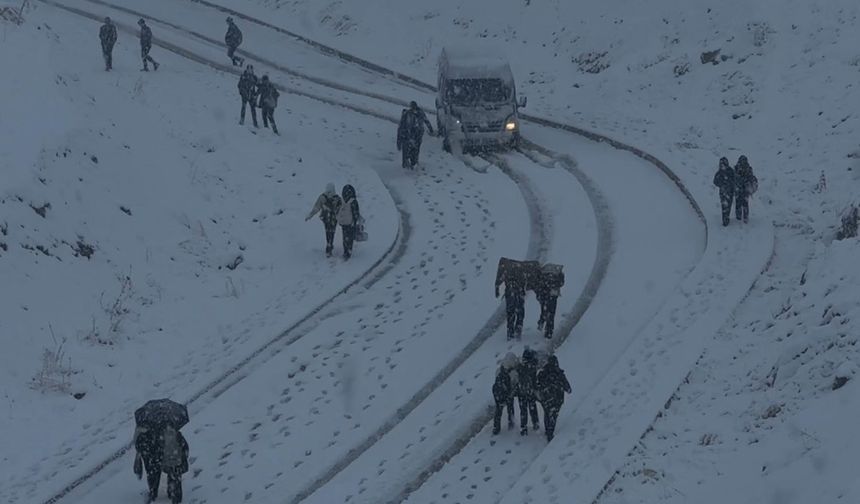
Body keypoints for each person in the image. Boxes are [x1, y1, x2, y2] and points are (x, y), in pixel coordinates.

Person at [133, 425, 189, 503]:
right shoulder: (172, 431)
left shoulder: (144, 430)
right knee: (174, 474)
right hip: (170, 456)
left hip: (151, 454)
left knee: (152, 473)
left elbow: (138, 444)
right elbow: (185, 447)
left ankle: (153, 492)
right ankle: (173, 494)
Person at [537, 355, 571, 442]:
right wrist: (565, 388)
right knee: (554, 415)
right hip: (557, 399)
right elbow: (568, 388)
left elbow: (538, 384)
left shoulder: (543, 372)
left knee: (547, 413)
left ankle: (547, 430)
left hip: (545, 398)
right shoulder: (559, 373)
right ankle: (550, 433)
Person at [305, 183, 343, 257]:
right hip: (334, 218)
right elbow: (342, 209)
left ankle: (329, 246)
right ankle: (330, 245)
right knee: (332, 231)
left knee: (328, 231)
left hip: (326, 218)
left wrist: (310, 215)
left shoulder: (322, 197)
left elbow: (316, 207)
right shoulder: (337, 198)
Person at [396, 101, 434, 169]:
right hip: (410, 135)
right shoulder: (408, 114)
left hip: (416, 135)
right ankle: (410, 163)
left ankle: (413, 162)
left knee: (414, 149)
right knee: (411, 149)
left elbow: (426, 121)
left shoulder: (419, 113)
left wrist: (430, 129)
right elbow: (401, 128)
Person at [495, 260, 526, 339]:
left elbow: (501, 279)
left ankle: (510, 332)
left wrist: (497, 288)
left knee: (510, 313)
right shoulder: (521, 273)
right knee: (520, 312)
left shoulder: (506, 273)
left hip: (510, 294)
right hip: (519, 294)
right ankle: (518, 329)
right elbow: (525, 282)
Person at [491, 353, 519, 435]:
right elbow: (515, 383)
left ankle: (496, 427)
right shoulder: (513, 372)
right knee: (510, 409)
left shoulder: (499, 370)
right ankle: (511, 424)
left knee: (498, 410)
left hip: (498, 394)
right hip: (507, 394)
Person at [516, 347, 540, 435]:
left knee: (523, 410)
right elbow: (534, 381)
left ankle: (523, 428)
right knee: (532, 408)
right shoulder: (532, 368)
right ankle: (535, 423)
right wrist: (536, 389)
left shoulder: (519, 367)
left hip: (521, 391)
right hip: (530, 391)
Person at [536, 264, 564, 339]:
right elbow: (561, 283)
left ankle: (542, 321)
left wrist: (540, 293)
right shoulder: (558, 273)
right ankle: (549, 331)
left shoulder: (543, 273)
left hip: (544, 295)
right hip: (553, 296)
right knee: (551, 313)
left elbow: (538, 283)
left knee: (544, 310)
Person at [337, 184, 361, 260]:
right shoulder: (353, 201)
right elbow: (356, 212)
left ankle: (345, 251)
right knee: (350, 237)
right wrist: (355, 220)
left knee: (345, 236)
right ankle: (348, 251)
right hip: (350, 222)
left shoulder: (342, 200)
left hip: (344, 222)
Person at [734, 155, 757, 223]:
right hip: (745, 189)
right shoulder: (748, 168)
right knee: (745, 204)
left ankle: (738, 217)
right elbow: (751, 177)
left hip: (739, 188)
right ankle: (745, 218)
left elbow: (734, 177)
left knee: (738, 203)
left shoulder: (737, 167)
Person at [712, 157, 735, 226]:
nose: (722, 165)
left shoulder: (729, 171)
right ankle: (725, 220)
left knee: (727, 206)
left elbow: (734, 180)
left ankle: (726, 218)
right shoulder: (720, 172)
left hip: (728, 191)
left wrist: (726, 182)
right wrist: (722, 183)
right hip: (724, 192)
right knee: (725, 206)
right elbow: (715, 182)